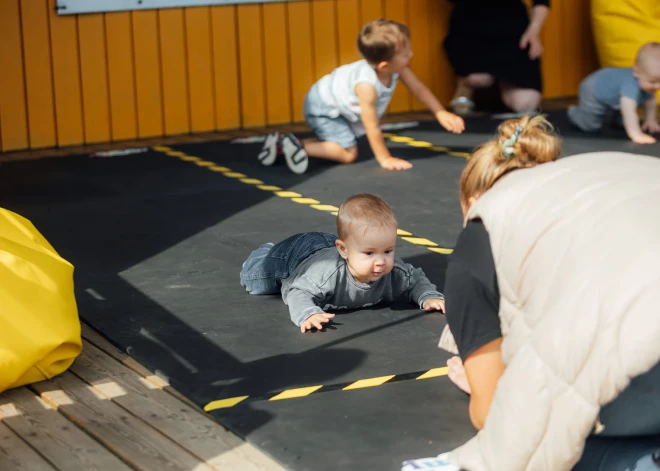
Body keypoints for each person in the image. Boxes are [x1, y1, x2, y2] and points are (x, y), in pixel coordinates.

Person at [429, 115, 660, 470]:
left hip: (645, 359)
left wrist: (484, 387)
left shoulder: (481, 232)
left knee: (549, 436)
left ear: (473, 202)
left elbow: (494, 414)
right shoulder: (593, 175)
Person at [257, 19, 465, 175]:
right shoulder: (367, 87)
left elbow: (418, 89)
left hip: (335, 105)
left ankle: (287, 143)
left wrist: (440, 112)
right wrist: (385, 158)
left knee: (341, 142)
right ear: (385, 66)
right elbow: (371, 126)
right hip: (324, 109)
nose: (410, 55)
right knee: (348, 153)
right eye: (405, 54)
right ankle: (297, 147)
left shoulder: (397, 68)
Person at [239, 194, 445, 332]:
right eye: (370, 253)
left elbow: (415, 279)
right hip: (298, 255)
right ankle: (265, 251)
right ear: (344, 250)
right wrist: (308, 313)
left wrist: (428, 296)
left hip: (335, 246)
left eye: (388, 250)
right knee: (256, 282)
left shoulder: (394, 272)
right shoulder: (325, 275)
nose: (381, 261)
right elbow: (297, 292)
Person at [444, 0, 550, 115]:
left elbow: (541, 1)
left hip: (513, 28)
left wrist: (533, 30)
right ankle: (466, 85)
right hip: (471, 26)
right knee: (478, 78)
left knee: (525, 104)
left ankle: (496, 91)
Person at [568, 42, 660, 144]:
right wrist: (635, 133)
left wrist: (650, 120)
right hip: (593, 90)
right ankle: (574, 113)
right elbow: (628, 110)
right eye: (652, 82)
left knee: (620, 120)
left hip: (613, 95)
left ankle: (617, 118)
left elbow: (651, 100)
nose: (657, 86)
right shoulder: (630, 84)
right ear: (637, 72)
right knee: (590, 125)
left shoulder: (646, 82)